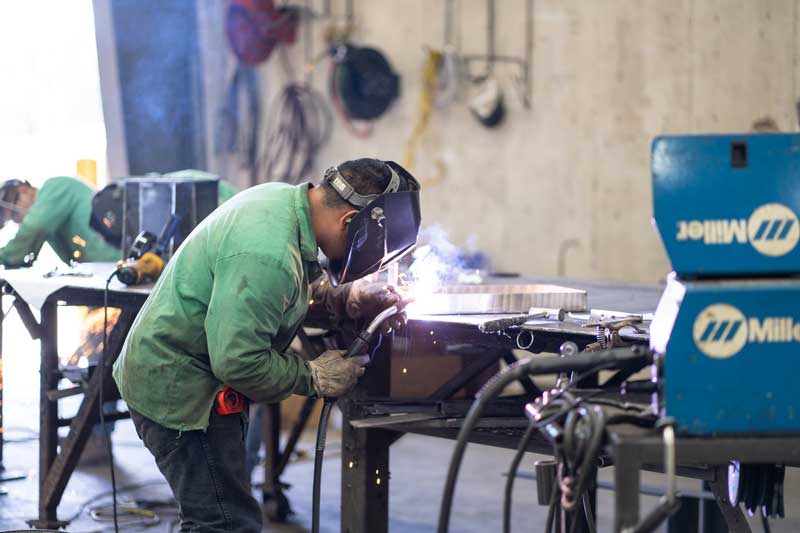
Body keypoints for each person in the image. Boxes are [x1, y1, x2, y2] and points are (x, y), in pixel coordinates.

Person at [114, 158, 421, 532]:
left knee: (217, 516)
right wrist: (313, 375)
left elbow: (282, 294)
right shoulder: (267, 253)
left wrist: (344, 297)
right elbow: (238, 362)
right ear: (349, 223)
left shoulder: (284, 204)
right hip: (179, 390)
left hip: (182, 373)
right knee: (224, 524)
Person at [0, 177, 120, 267]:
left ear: (24, 189)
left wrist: (4, 256)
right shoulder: (50, 222)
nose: (18, 219)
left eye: (15, 213)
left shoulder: (54, 187)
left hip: (117, 260)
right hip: (103, 271)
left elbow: (33, 227)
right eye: (12, 218)